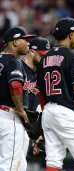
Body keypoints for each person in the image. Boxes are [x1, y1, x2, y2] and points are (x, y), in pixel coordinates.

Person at [36, 17, 74, 171]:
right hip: (67, 112)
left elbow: (40, 93)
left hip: (48, 111)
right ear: (69, 35)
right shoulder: (73, 57)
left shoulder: (44, 59)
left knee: (53, 161)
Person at [0, 26, 35, 171]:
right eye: (25, 40)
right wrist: (21, 110)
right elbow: (15, 86)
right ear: (14, 42)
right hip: (9, 117)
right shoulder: (14, 62)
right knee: (9, 166)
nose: (28, 43)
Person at [19, 37, 50, 171]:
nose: (45, 59)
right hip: (9, 117)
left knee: (19, 164)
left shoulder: (41, 73)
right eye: (42, 55)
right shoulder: (17, 66)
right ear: (32, 52)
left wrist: (37, 134)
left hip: (26, 125)